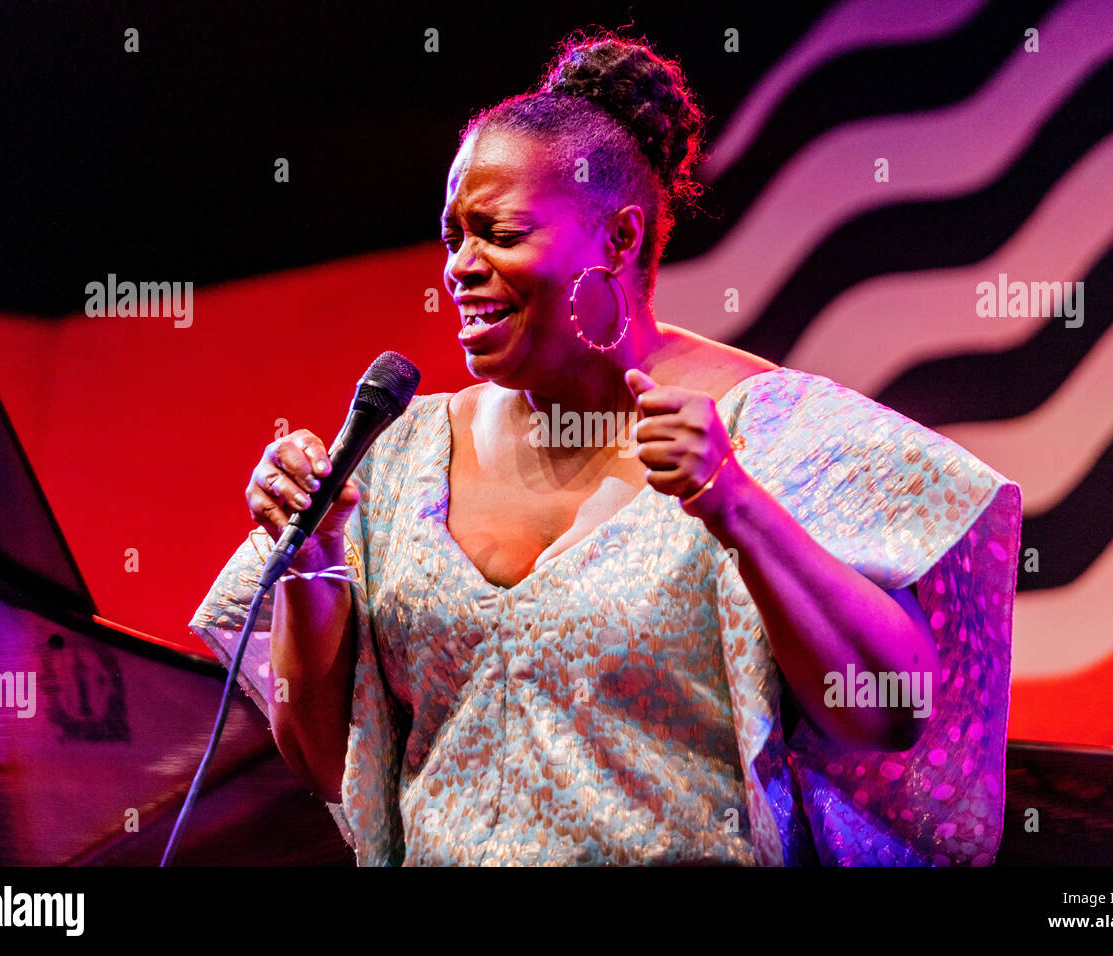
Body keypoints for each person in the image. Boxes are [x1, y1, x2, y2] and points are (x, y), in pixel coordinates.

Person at [190, 30, 1021, 866]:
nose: (460, 268)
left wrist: (736, 504)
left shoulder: (774, 433)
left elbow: (891, 708)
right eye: (453, 237)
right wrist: (312, 560)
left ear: (619, 240)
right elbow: (330, 766)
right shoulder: (398, 456)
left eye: (499, 233)